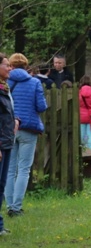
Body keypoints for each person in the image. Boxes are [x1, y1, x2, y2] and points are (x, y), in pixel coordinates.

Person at [5, 53, 48, 217]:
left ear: (11, 65)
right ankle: (16, 207)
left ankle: (9, 205)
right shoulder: (35, 82)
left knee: (9, 170)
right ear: (25, 65)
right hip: (29, 129)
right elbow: (42, 107)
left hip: (9, 129)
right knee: (24, 169)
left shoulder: (5, 83)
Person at [0, 53, 17, 235]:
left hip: (6, 141)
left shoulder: (4, 88)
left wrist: (16, 120)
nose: (9, 68)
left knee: (1, 185)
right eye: (6, 65)